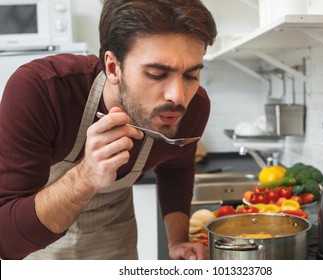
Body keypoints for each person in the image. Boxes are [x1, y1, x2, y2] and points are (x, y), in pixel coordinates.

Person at [0, 0, 217, 260]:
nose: (178, 96)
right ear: (113, 67)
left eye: (191, 76)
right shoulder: (41, 90)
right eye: (157, 74)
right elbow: (7, 240)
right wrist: (85, 176)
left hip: (113, 236)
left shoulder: (193, 107)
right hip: (36, 244)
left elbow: (177, 168)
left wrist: (178, 240)